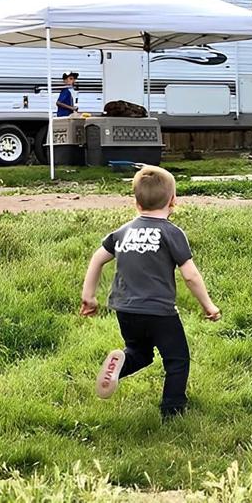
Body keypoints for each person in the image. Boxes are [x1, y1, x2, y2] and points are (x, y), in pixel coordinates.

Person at [79, 166, 221, 417]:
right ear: (173, 200)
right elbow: (190, 275)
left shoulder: (122, 232)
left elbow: (97, 259)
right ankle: (172, 411)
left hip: (125, 310)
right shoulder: (171, 233)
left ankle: (118, 368)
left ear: (135, 201)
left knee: (140, 353)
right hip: (160, 312)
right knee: (176, 361)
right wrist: (208, 305)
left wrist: (89, 296)